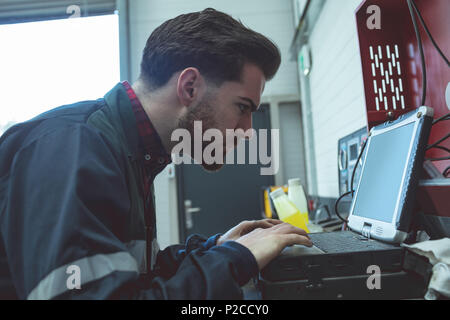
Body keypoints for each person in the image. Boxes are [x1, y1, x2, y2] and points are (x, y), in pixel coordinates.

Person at [0, 8, 311, 300]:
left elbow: (131, 278)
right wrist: (234, 260)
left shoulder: (134, 155)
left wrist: (216, 248)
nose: (247, 130)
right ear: (190, 87)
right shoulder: (72, 149)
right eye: (243, 107)